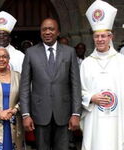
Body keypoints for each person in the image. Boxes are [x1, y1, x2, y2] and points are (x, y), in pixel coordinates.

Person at [80, 1, 124, 150]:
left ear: (111, 37)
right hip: (94, 118)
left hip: (117, 118)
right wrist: (91, 98)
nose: (100, 39)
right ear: (93, 38)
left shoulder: (123, 61)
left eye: (103, 36)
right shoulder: (86, 64)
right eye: (97, 37)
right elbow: (78, 91)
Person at [19, 18, 82, 150]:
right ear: (40, 32)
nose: (47, 32)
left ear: (58, 32)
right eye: (44, 29)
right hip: (39, 114)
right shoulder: (31, 53)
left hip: (64, 114)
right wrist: (25, 114)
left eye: (51, 29)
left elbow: (75, 85)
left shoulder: (69, 52)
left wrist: (76, 113)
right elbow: (24, 86)